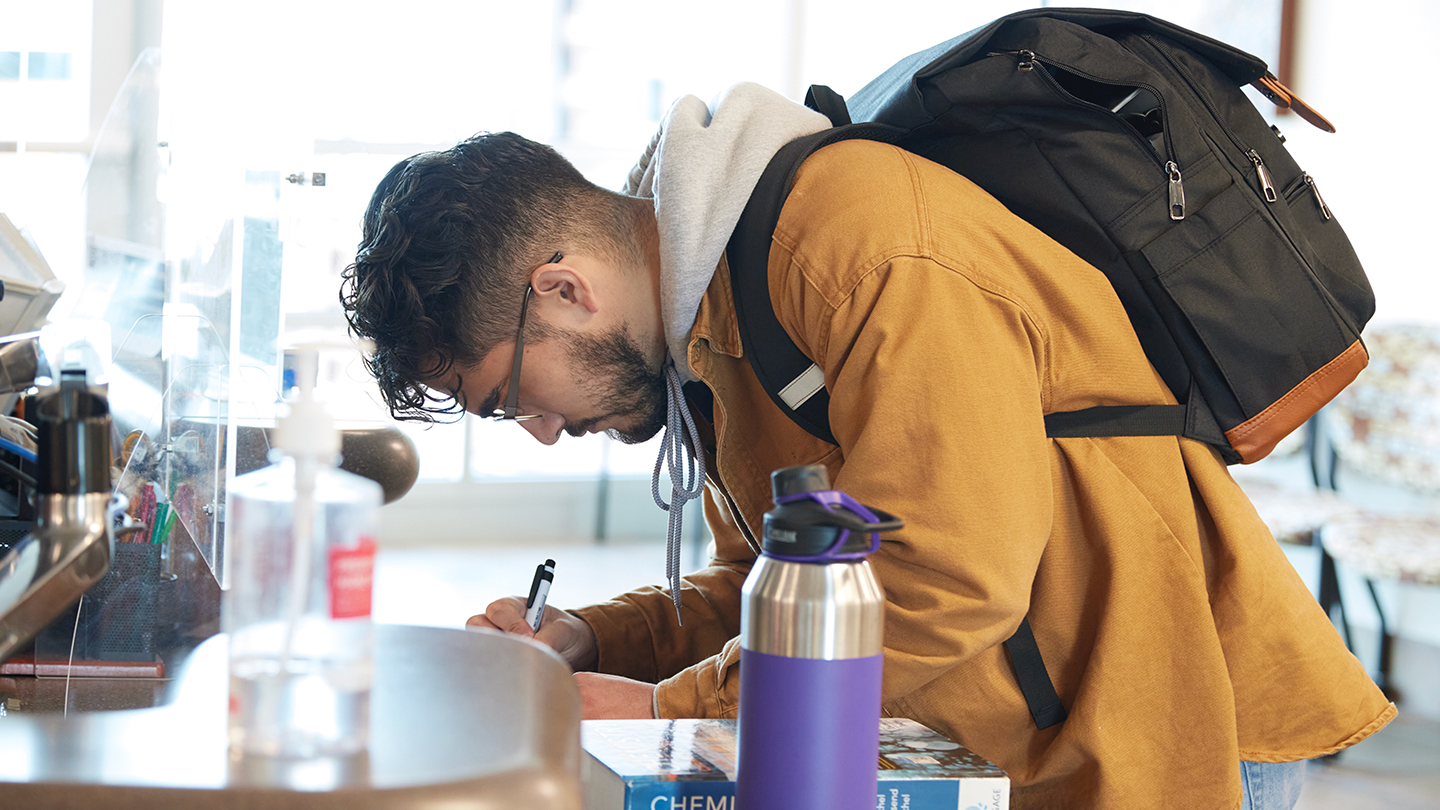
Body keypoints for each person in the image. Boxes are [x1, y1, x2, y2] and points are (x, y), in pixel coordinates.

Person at [340, 83, 1394, 809]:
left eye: (508, 394)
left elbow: (950, 571)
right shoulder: (713, 310)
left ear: (564, 292)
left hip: (1172, 728)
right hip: (1026, 740)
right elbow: (777, 582)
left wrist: (672, 708)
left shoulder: (862, 242)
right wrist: (594, 644)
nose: (541, 429)